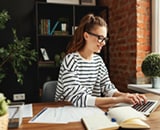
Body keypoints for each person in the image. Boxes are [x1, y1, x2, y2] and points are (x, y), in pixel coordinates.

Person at [55, 13, 147, 107]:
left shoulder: (98, 61)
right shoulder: (70, 60)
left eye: (104, 39)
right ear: (86, 36)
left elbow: (107, 87)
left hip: (88, 109)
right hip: (66, 110)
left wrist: (127, 96)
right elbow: (78, 98)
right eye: (100, 38)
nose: (103, 43)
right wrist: (117, 99)